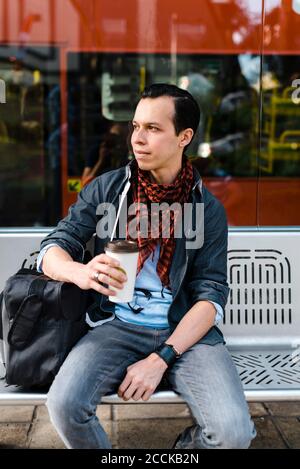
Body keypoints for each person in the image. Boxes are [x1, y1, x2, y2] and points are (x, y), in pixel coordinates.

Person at [37, 83, 256, 449]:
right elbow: (52, 249)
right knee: (64, 405)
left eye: (153, 129)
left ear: (184, 137)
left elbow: (210, 298)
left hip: (186, 333)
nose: (138, 138)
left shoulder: (207, 210)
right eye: (136, 127)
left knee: (233, 434)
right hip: (116, 324)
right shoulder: (108, 191)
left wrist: (162, 358)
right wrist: (82, 272)